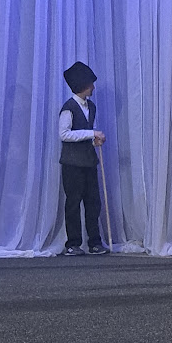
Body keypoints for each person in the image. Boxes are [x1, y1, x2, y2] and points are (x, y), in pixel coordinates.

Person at [59, 61, 108, 256]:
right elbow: (64, 134)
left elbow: (85, 133)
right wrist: (91, 133)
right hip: (72, 164)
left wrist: (94, 141)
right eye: (90, 84)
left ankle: (94, 242)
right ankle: (73, 243)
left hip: (88, 161)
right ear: (83, 85)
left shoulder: (91, 107)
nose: (93, 87)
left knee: (93, 202)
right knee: (73, 202)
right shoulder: (69, 108)